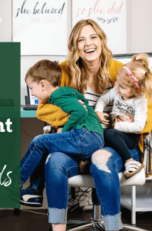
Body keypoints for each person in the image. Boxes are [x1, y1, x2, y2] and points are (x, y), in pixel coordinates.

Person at [21, 19, 152, 231]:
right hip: (81, 139)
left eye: (93, 37)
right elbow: (43, 108)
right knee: (53, 161)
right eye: (80, 39)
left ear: (101, 40)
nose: (88, 43)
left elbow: (149, 109)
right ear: (75, 45)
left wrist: (128, 121)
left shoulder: (118, 69)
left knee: (100, 159)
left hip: (116, 143)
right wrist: (82, 116)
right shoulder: (65, 71)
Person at [20, 60, 104, 206]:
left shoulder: (58, 95)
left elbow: (79, 111)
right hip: (90, 138)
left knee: (38, 142)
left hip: (87, 136)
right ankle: (34, 191)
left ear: (43, 84)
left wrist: (63, 130)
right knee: (44, 147)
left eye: (31, 88)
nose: (32, 93)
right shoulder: (63, 94)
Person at [95, 54, 152, 179]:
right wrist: (98, 112)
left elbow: (138, 126)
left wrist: (117, 125)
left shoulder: (140, 101)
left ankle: (130, 162)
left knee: (109, 134)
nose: (116, 88)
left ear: (136, 90)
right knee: (99, 136)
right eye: (117, 83)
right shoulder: (116, 90)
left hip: (130, 136)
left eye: (122, 87)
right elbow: (103, 99)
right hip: (118, 132)